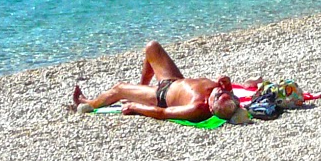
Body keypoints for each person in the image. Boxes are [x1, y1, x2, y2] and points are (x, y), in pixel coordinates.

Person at [70, 41, 251, 123]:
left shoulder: (197, 108)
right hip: (174, 81)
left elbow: (163, 113)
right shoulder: (224, 96)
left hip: (161, 95)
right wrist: (226, 85)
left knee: (119, 89)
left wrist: (135, 107)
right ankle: (141, 87)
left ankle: (88, 103)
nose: (218, 91)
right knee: (152, 48)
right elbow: (231, 95)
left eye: (218, 95)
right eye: (221, 92)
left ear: (211, 107)